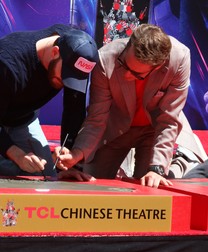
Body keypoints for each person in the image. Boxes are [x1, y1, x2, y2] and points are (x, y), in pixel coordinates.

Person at [54, 24, 207, 187]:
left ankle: (175, 163)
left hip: (154, 131)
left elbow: (169, 119)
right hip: (114, 130)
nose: (126, 74)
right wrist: (77, 153)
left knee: (152, 187)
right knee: (90, 183)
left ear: (158, 67)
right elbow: (96, 118)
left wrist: (157, 168)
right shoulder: (105, 59)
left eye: (136, 74)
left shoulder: (179, 58)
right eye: (124, 64)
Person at [0, 23, 98, 181]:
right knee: (15, 169)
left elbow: (74, 110)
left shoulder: (73, 50)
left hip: (21, 120)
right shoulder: (7, 61)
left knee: (45, 175)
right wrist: (16, 154)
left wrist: (68, 161)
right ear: (54, 52)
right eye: (64, 77)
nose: (66, 83)